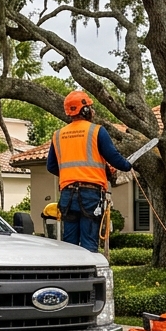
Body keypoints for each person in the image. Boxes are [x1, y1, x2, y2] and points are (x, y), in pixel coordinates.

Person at [45, 90, 132, 252]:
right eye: (90, 108)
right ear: (84, 110)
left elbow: (51, 166)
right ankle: (90, 275)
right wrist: (127, 165)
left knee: (69, 246)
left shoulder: (58, 135)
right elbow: (113, 156)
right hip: (90, 195)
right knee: (89, 245)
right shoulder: (97, 131)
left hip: (67, 195)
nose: (92, 111)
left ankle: (70, 277)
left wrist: (71, 175)